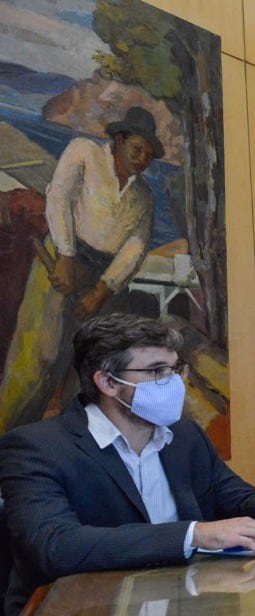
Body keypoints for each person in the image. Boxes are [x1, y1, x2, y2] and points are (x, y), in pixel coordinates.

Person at [0, 313, 255, 616]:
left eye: (176, 369)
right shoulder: (37, 448)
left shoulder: (184, 436)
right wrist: (194, 534)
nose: (174, 382)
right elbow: (56, 546)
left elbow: (234, 496)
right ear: (108, 383)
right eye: (156, 371)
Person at [0, 105, 166, 433]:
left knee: (90, 369)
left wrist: (101, 291)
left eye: (148, 155)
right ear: (119, 140)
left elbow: (134, 249)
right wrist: (64, 256)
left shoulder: (143, 197)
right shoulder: (83, 152)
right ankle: (8, 433)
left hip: (104, 280)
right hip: (65, 256)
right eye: (137, 149)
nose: (142, 160)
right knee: (39, 356)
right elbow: (59, 198)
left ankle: (70, 444)